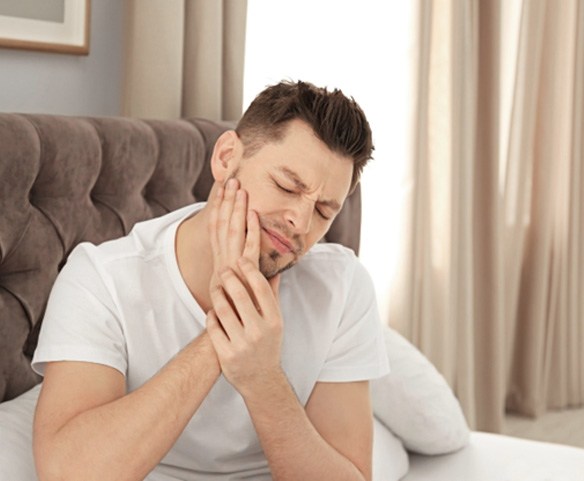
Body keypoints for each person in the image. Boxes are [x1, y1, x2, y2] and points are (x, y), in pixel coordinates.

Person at [31, 80, 389, 481]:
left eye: (324, 212)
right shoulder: (103, 280)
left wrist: (262, 378)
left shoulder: (342, 286)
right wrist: (223, 335)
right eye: (287, 186)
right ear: (226, 157)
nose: (300, 223)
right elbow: (67, 473)